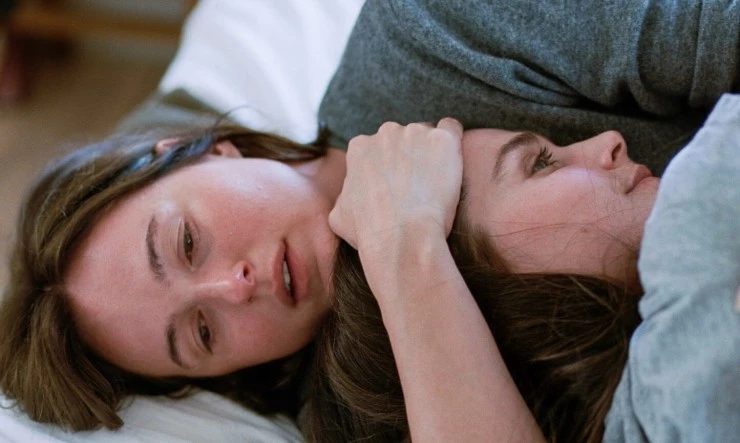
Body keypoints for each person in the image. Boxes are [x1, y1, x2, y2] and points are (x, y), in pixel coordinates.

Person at [0, 0, 738, 439]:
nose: (235, 285)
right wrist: (403, 248)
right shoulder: (358, 411)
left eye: (188, 242)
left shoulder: (437, 30)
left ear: (204, 150)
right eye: (201, 333)